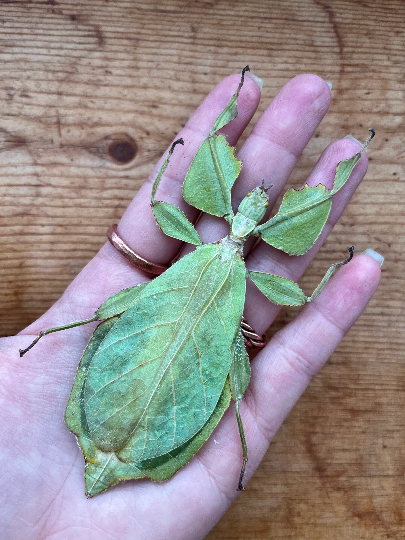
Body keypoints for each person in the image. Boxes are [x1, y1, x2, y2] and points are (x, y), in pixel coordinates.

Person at [0, 71, 382, 539]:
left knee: (217, 374)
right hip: (115, 422)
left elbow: (167, 202)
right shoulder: (242, 266)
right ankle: (229, 443)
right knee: (234, 386)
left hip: (144, 414)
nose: (252, 209)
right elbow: (300, 297)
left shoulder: (204, 244)